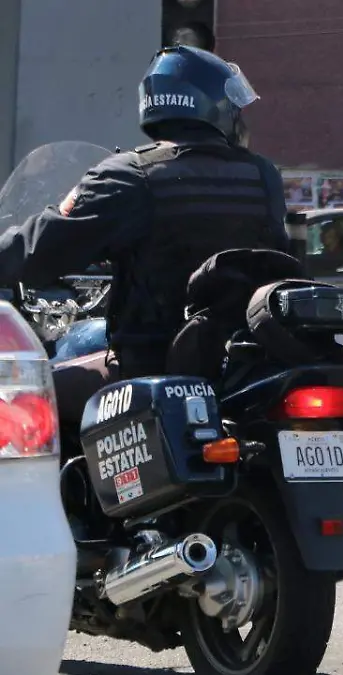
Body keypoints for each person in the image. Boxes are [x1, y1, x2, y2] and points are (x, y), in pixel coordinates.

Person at [0, 44, 289, 455]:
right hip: (240, 365)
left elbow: (39, 250)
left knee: (29, 396)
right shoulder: (263, 177)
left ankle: (67, 511)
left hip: (151, 368)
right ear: (211, 106)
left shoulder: (130, 176)